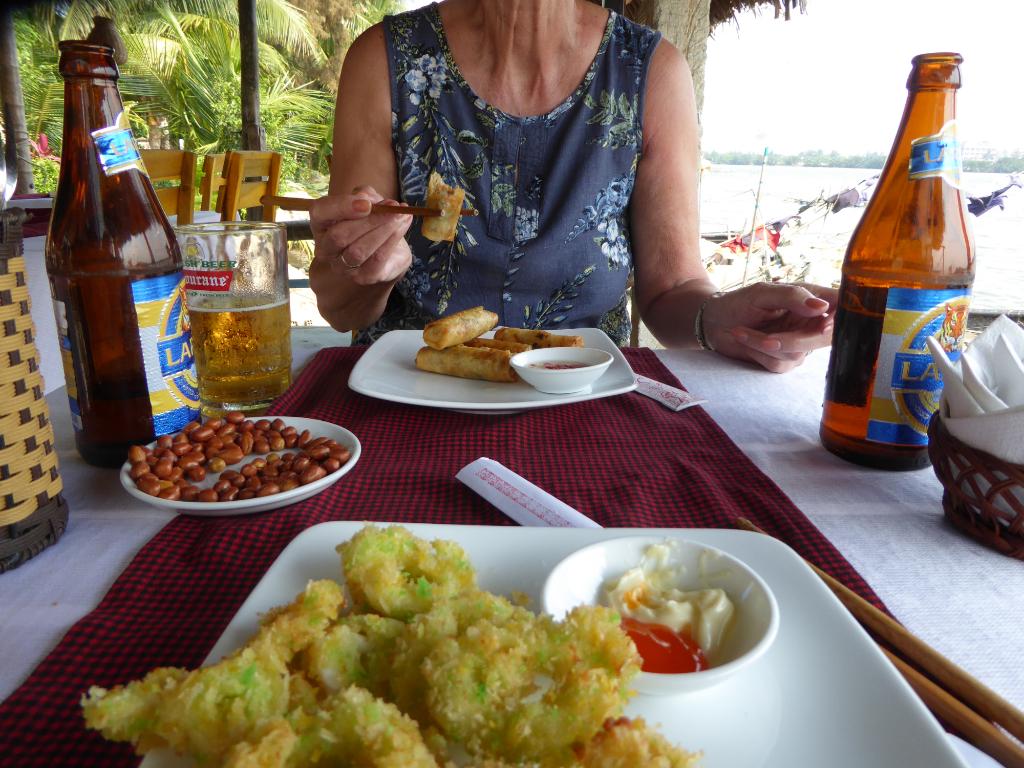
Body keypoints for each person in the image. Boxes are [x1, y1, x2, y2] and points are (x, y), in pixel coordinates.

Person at [309, 0, 836, 373]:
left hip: (582, 396)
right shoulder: (386, 59)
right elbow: (341, 312)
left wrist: (717, 318)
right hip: (409, 393)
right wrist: (368, 271)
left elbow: (672, 292)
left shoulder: (650, 72)